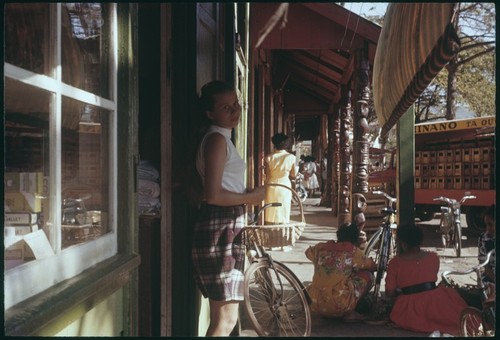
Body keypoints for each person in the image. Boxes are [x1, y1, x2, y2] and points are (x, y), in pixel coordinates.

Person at [190, 80, 266, 336]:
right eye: (226, 108)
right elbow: (212, 195)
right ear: (210, 113)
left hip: (225, 226)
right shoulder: (216, 141)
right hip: (220, 226)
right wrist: (251, 198)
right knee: (225, 319)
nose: (235, 112)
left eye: (236, 105)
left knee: (226, 317)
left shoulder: (221, 139)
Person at [385, 225, 468, 335]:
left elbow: (389, 292)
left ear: (403, 244)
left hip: (410, 308)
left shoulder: (395, 263)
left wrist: (400, 291)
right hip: (437, 301)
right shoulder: (433, 257)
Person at [305, 222, 376, 322]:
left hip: (314, 303)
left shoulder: (320, 248)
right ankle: (350, 312)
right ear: (356, 239)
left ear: (338, 235)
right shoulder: (353, 251)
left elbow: (307, 253)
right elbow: (372, 266)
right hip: (339, 305)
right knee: (368, 276)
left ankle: (325, 310)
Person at [263, 133, 297, 224]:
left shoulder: (269, 157)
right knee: (284, 209)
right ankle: (282, 232)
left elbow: (267, 174)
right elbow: (294, 174)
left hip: (271, 185)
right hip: (285, 185)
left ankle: (270, 230)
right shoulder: (291, 157)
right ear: (286, 145)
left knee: (270, 210)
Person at [478, 205, 495, 284]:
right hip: (490, 280)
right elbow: (485, 265)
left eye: (490, 224)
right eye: (486, 225)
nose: (487, 228)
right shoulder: (484, 238)